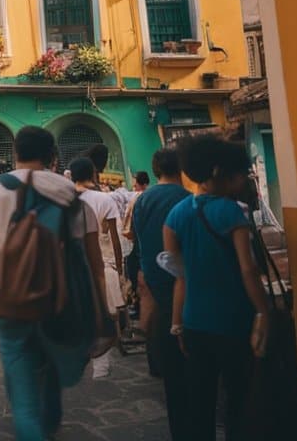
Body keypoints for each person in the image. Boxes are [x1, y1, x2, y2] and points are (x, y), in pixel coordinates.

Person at [0, 127, 110, 441]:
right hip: (59, 296)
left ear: (15, 154)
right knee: (49, 365)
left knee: (22, 389)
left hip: (9, 294)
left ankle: (34, 427)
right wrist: (101, 307)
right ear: (52, 157)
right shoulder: (73, 194)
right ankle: (49, 423)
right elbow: (93, 261)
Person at [164, 135, 270, 441]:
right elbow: (248, 269)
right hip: (234, 323)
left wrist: (176, 324)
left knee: (201, 403)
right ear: (218, 172)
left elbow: (179, 277)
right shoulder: (231, 212)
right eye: (238, 173)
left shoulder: (176, 215)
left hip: (194, 323)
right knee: (238, 400)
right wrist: (263, 312)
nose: (242, 180)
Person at [131, 148, 191, 438]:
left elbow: (136, 233)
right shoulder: (187, 200)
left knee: (160, 321)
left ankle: (161, 366)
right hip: (182, 273)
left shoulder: (145, 199)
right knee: (180, 322)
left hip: (152, 268)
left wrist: (142, 268)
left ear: (155, 170)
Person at [67, 157, 125, 379]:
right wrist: (119, 268)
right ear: (93, 174)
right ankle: (100, 368)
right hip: (102, 261)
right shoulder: (104, 199)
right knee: (104, 313)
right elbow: (114, 237)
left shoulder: (64, 201)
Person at [123, 170, 151, 317]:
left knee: (136, 275)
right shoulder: (148, 196)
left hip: (137, 242)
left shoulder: (136, 198)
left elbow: (128, 222)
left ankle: (136, 305)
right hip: (149, 242)